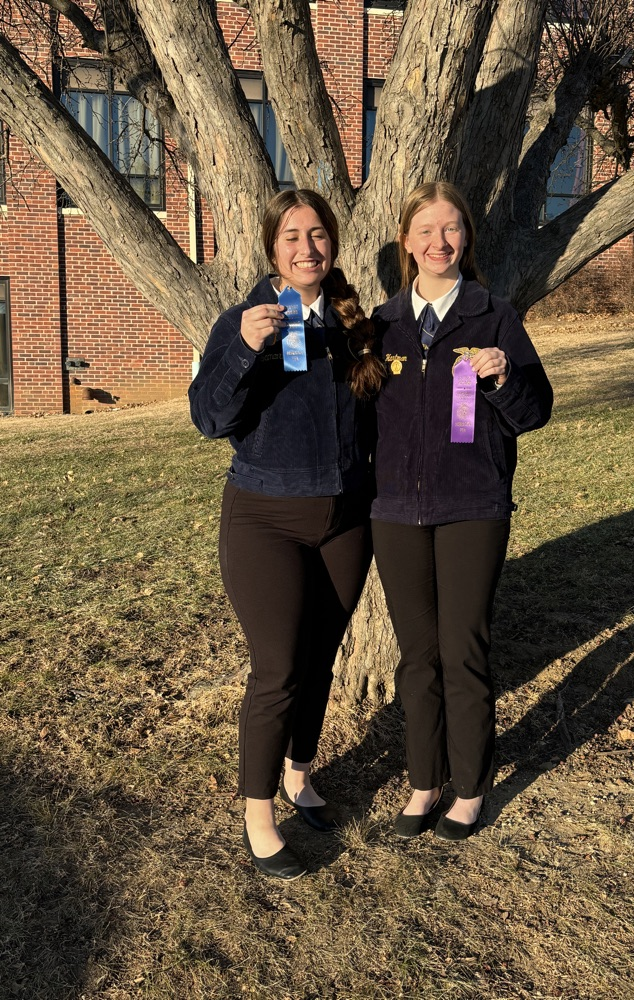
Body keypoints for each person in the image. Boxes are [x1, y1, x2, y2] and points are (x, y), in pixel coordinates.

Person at [189, 189, 384, 879]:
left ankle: (301, 776)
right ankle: (258, 811)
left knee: (321, 657)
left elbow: (380, 419)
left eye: (319, 235)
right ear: (273, 247)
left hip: (344, 520)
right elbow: (210, 419)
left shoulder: (355, 324)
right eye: (293, 236)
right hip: (265, 518)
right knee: (278, 668)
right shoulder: (243, 322)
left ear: (334, 243)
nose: (308, 247)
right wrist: (245, 348)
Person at [371, 181, 553, 841]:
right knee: (417, 655)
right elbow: (359, 418)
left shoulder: (493, 315)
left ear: (466, 239)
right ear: (406, 242)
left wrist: (506, 377)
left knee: (462, 649)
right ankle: (425, 783)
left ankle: (470, 787)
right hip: (394, 514)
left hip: (473, 507)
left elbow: (534, 414)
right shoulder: (382, 324)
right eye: (426, 230)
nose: (439, 242)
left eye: (451, 229)